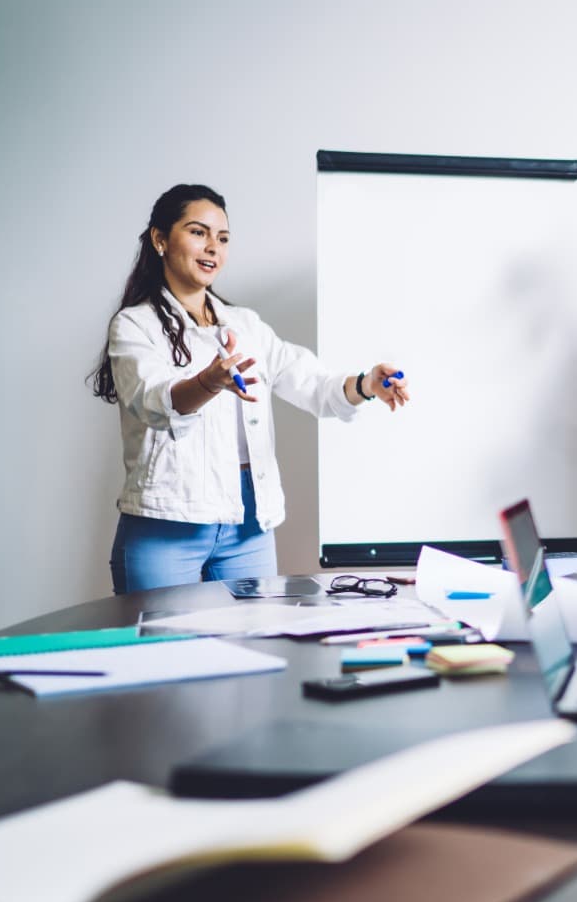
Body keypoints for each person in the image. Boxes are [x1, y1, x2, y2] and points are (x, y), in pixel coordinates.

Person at [89, 184, 410, 594]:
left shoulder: (245, 325)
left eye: (222, 239)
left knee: (252, 647)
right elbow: (154, 401)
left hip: (248, 524)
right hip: (165, 526)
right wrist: (209, 381)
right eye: (198, 232)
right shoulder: (135, 325)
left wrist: (366, 385)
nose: (212, 248)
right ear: (160, 240)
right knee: (166, 654)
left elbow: (311, 383)